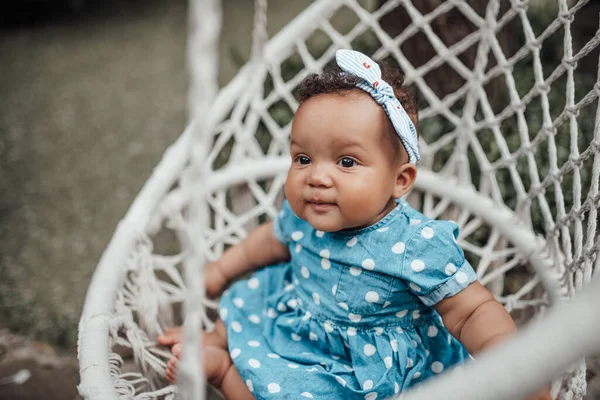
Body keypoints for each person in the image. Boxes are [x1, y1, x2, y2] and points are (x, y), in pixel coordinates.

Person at [158, 49, 551, 400]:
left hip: (360, 370)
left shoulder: (415, 244)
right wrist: (220, 270)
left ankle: (222, 370)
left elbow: (471, 312)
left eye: (346, 162)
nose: (316, 177)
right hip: (297, 320)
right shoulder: (305, 216)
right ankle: (216, 343)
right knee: (251, 301)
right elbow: (266, 244)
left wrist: (516, 367)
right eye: (303, 158)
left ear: (400, 180)